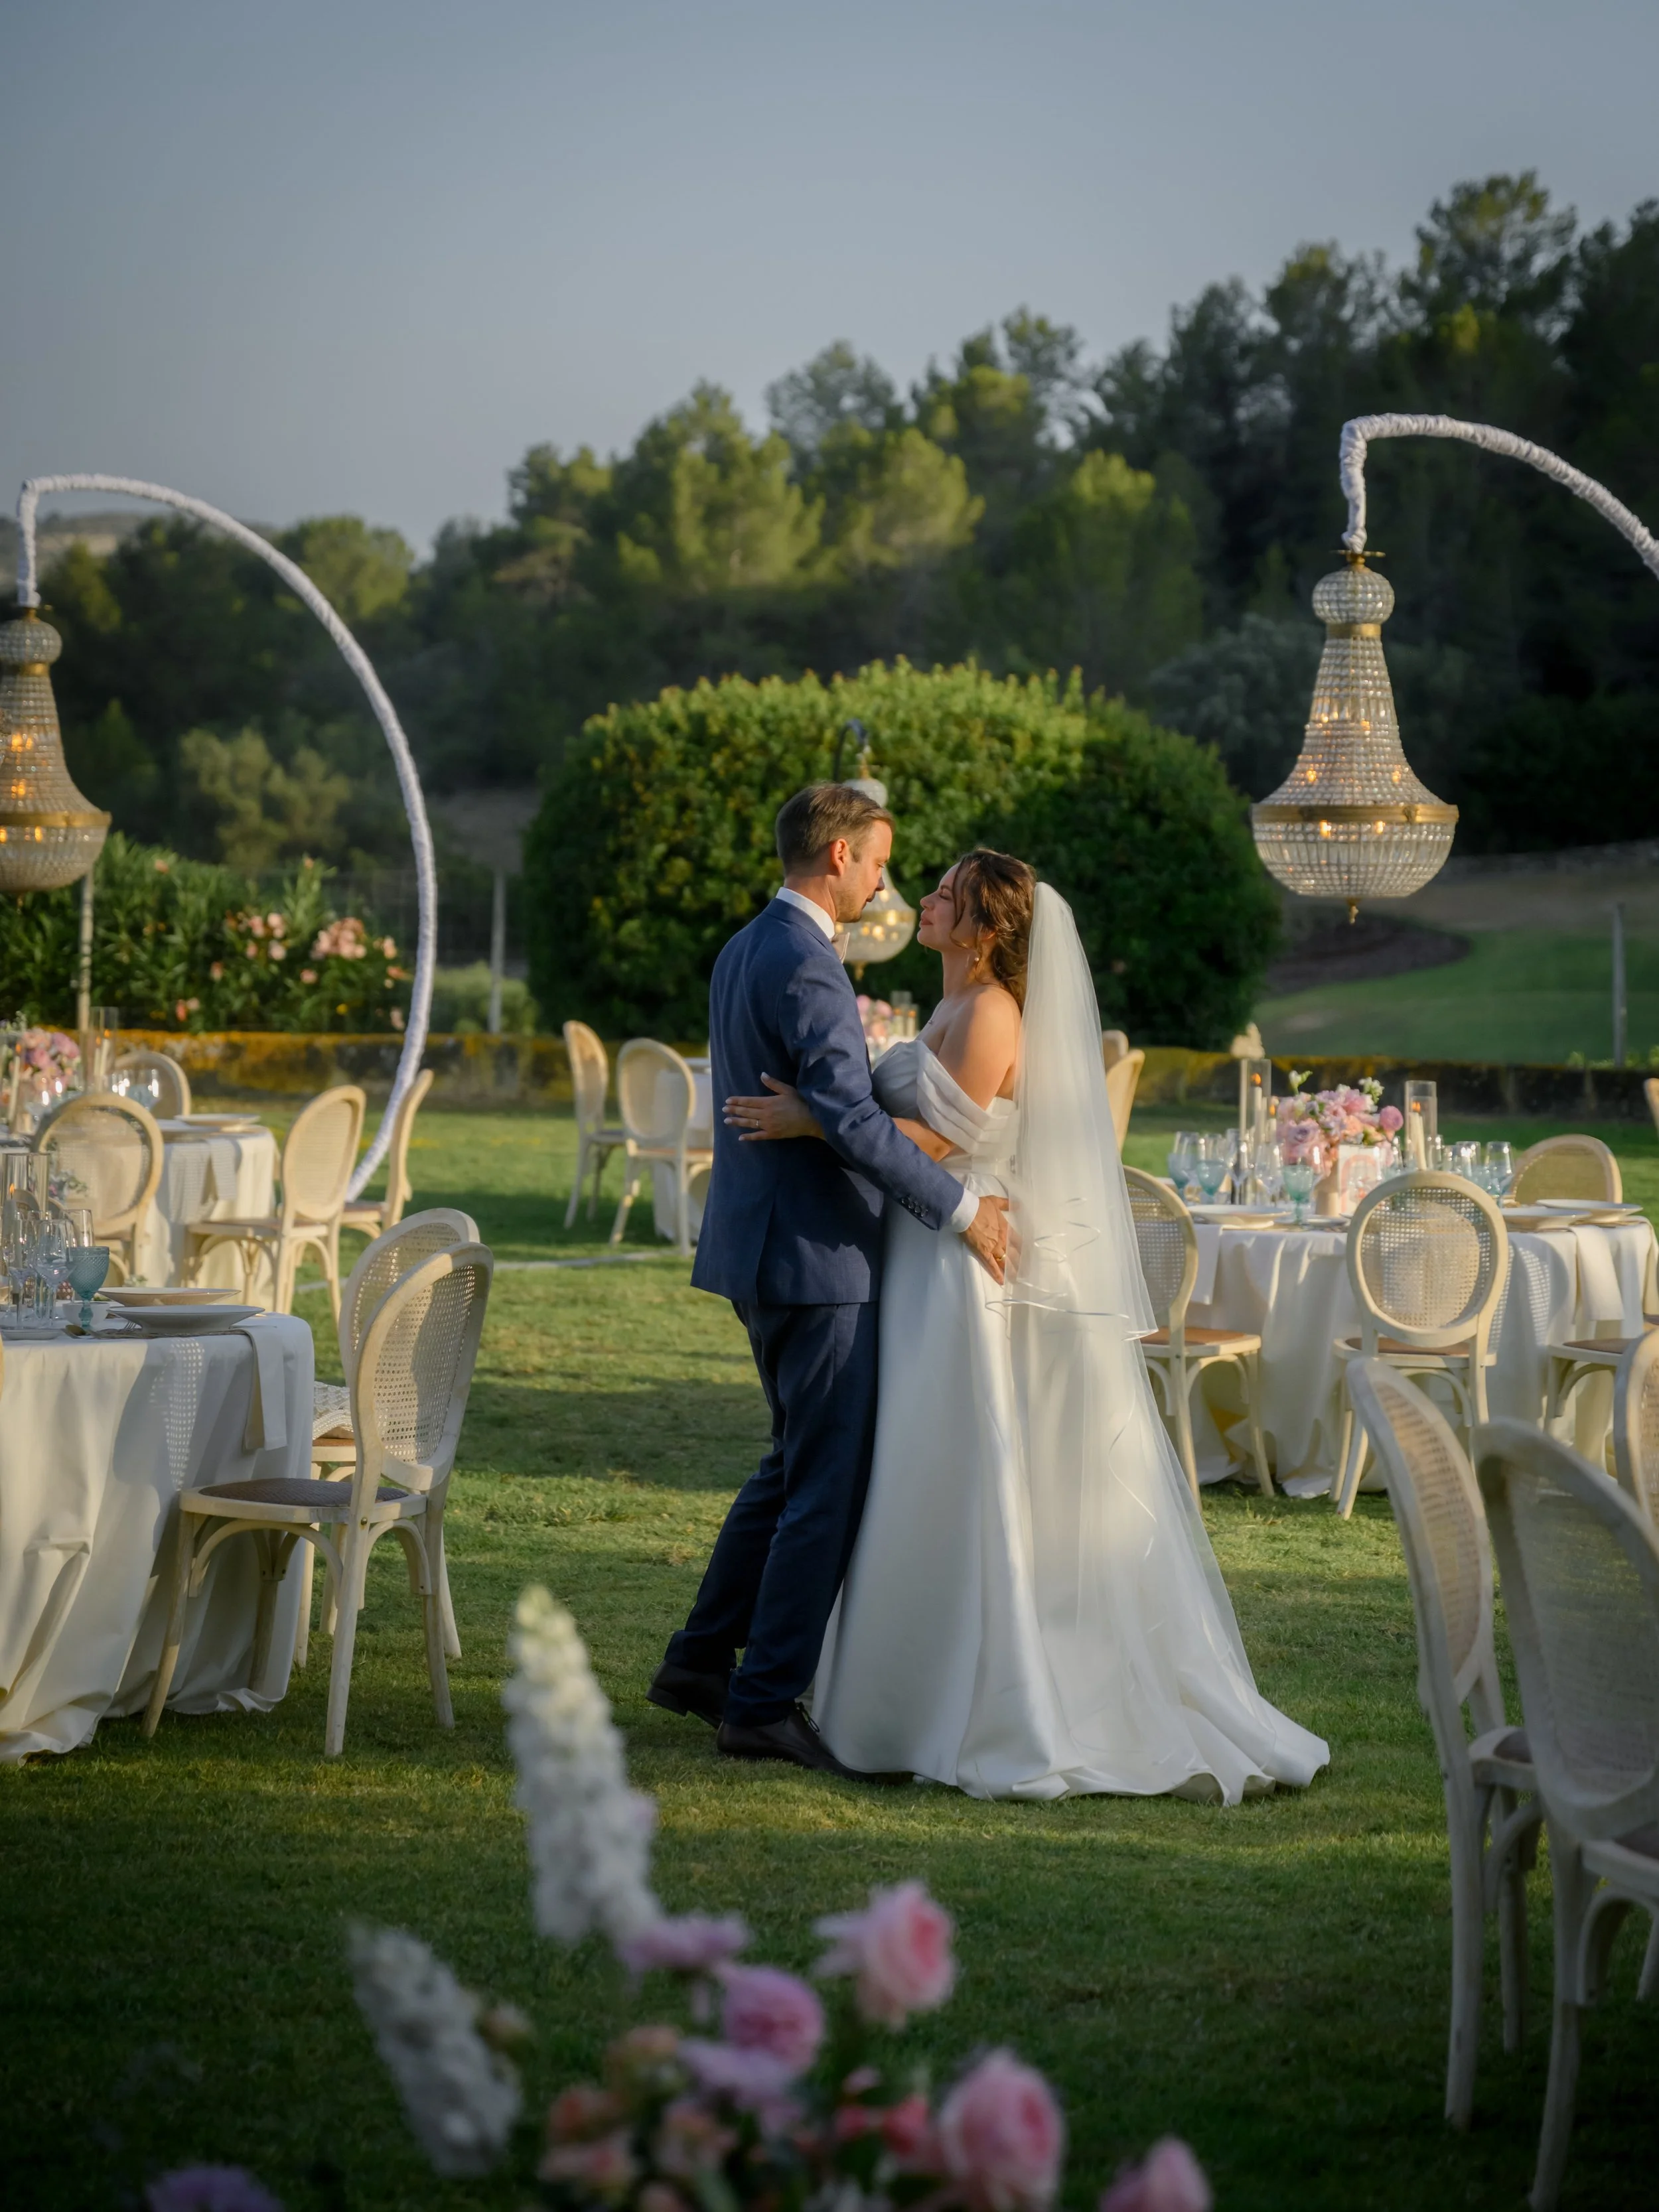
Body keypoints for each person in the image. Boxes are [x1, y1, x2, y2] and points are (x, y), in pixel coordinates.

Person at [725, 851, 1328, 1803]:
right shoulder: (953, 1004)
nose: (924, 898)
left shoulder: (994, 1012)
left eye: (946, 895)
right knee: (920, 1458)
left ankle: (980, 1695)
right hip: (931, 1249)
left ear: (985, 929)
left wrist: (812, 1118)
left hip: (966, 1259)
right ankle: (894, 1691)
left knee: (966, 1456)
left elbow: (926, 1145)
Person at [648, 784, 1011, 1777]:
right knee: (823, 1487)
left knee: (785, 1469)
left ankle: (697, 1662)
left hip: (766, 1250)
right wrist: (970, 1212)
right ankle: (762, 1703)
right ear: (840, 856)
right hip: (814, 1257)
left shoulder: (747, 944)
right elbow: (852, 1122)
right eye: (881, 859)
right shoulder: (807, 963)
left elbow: (833, 1111)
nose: (888, 880)